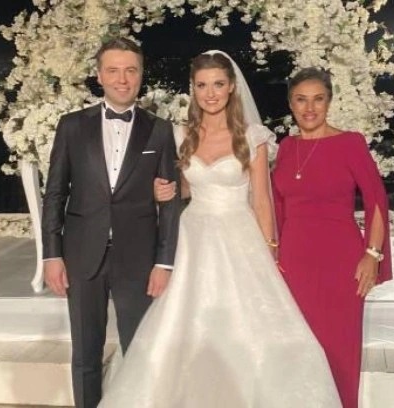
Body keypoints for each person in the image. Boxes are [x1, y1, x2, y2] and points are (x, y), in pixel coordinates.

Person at [99, 52, 340, 408]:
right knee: (181, 324)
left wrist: (270, 251)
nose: (210, 93)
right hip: (192, 238)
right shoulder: (180, 134)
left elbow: (262, 201)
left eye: (218, 84)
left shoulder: (252, 136)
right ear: (193, 89)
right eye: (202, 85)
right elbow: (185, 189)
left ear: (231, 88)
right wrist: (162, 191)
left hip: (239, 236)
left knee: (248, 327)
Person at [41, 38, 181, 408]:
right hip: (81, 255)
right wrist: (51, 255)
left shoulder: (159, 130)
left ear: (140, 75)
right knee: (85, 354)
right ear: (99, 75)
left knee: (140, 353)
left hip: (138, 259)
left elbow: (170, 202)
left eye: (130, 70)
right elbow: (54, 194)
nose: (122, 79)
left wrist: (164, 262)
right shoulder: (71, 126)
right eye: (114, 70)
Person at [272, 67, 393, 408]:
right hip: (294, 264)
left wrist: (372, 254)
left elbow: (377, 200)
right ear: (291, 104)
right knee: (298, 351)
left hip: (341, 264)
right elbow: (277, 206)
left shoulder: (349, 143)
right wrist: (273, 256)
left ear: (329, 102)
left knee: (339, 353)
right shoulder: (286, 147)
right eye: (301, 100)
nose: (310, 108)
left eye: (318, 99)